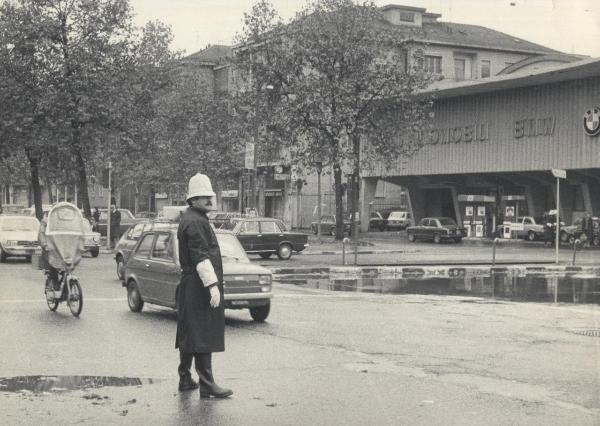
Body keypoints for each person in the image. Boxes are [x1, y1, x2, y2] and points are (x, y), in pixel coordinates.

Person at [175, 173, 232, 398]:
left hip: (191, 284)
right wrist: (213, 285)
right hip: (198, 286)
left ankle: (185, 378)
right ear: (193, 200)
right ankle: (207, 383)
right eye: (203, 196)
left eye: (210, 196)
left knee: (189, 331)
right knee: (202, 332)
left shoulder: (191, 218)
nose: (209, 200)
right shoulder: (196, 221)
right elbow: (200, 256)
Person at [38, 211, 59, 290]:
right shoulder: (45, 223)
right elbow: (41, 234)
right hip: (49, 250)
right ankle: (54, 283)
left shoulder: (62, 223)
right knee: (53, 265)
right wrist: (45, 244)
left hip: (60, 249)